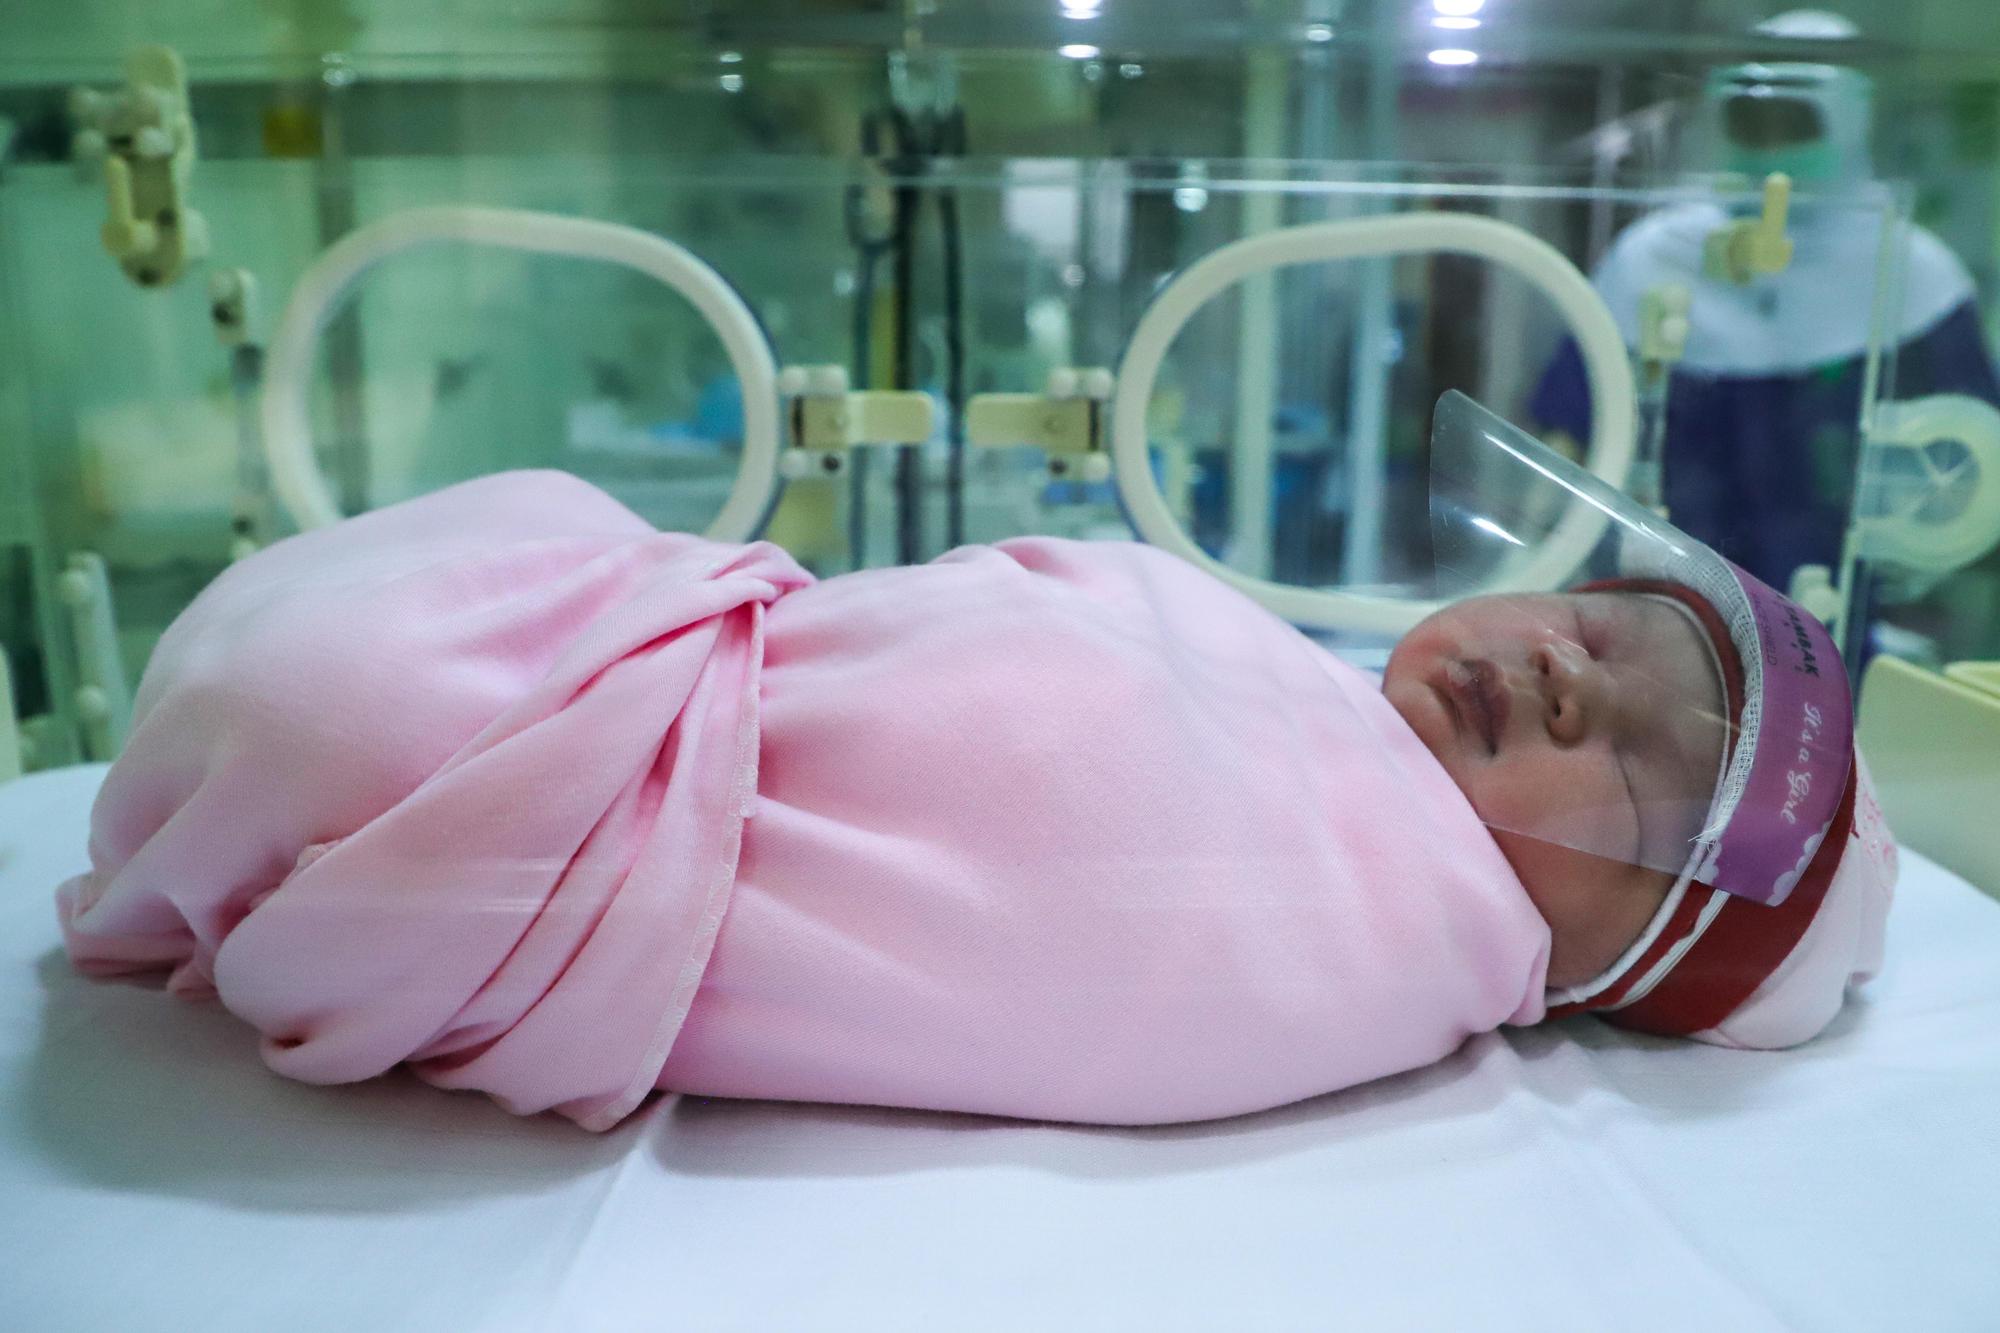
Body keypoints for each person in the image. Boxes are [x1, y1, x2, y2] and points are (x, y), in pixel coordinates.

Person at [54, 402, 1894, 1129]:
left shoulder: (1383, 932)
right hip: (698, 674)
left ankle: (366, 776)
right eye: (1597, 626)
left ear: (1612, 959)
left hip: (619, 820)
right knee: (414, 623)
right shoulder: (1310, 687)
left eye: (1633, 756)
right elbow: (982, 633)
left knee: (341, 707)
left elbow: (1081, 915)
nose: (1566, 674)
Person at [1533, 58, 2000, 594]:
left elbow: (1974, 456)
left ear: (1847, 127)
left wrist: (1927, 563)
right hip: (1662, 575)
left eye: (1796, 125)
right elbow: (1568, 424)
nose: (1773, 147)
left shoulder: (1914, 273)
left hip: (1835, 586)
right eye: (1751, 124)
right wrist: (1540, 553)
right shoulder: (1653, 255)